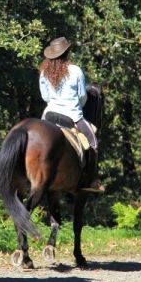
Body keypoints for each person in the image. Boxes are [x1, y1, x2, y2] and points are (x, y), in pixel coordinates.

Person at [39, 37, 102, 192]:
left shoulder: (44, 72)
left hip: (48, 116)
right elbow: (82, 97)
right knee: (93, 143)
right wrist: (77, 106)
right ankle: (92, 180)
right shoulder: (75, 70)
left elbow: (45, 97)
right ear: (67, 52)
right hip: (72, 116)